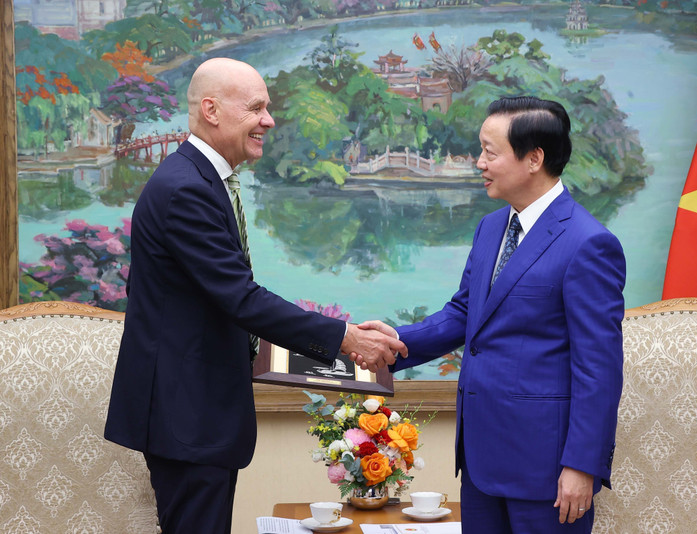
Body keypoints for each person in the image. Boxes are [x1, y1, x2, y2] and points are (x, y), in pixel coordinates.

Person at [104, 58, 406, 534]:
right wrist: (344, 337)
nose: (269, 120)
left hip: (199, 414)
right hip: (187, 417)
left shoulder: (203, 180)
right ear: (211, 110)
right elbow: (241, 299)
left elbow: (224, 302)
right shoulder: (186, 189)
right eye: (256, 108)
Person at [358, 96, 626, 533]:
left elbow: (599, 369)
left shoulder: (588, 244)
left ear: (534, 158)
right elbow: (467, 313)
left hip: (547, 470)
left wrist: (582, 466)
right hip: (482, 462)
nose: (478, 162)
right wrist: (395, 342)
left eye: (489, 151)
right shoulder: (491, 227)